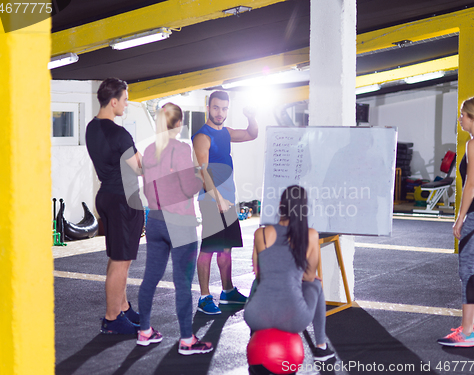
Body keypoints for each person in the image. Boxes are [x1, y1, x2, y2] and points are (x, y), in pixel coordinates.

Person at [137, 103, 213, 355]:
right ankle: (187, 340)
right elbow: (189, 187)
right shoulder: (181, 148)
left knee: (150, 279)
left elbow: (147, 190)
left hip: (155, 221)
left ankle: (145, 331)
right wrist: (199, 175)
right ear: (179, 124)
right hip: (180, 223)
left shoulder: (148, 150)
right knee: (182, 284)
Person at [244, 185, 335, 361]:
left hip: (256, 316)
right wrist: (293, 275)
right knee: (316, 283)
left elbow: (259, 274)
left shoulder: (260, 233)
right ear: (304, 209)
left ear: (280, 205)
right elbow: (309, 276)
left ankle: (254, 337)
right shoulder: (311, 235)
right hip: (293, 319)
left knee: (258, 284)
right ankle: (321, 347)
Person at [86, 77, 144, 334]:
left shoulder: (91, 128)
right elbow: (140, 167)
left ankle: (122, 307)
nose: (126, 104)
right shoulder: (119, 133)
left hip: (106, 196)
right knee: (122, 261)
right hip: (123, 199)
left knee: (118, 257)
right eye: (125, 100)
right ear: (113, 101)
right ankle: (112, 319)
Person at [192, 91, 258, 314]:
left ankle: (228, 292)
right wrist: (218, 198)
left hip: (228, 200)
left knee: (226, 249)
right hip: (211, 200)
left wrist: (252, 116)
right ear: (208, 107)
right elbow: (202, 172)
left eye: (224, 108)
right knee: (208, 249)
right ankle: (204, 297)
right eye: (216, 108)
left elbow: (251, 134)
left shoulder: (226, 133)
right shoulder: (203, 136)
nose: (220, 113)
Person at [438, 96, 474, 347]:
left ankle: (467, 333)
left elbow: (471, 185)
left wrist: (460, 219)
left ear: (472, 117)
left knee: (468, 270)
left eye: (462, 115)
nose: (460, 119)